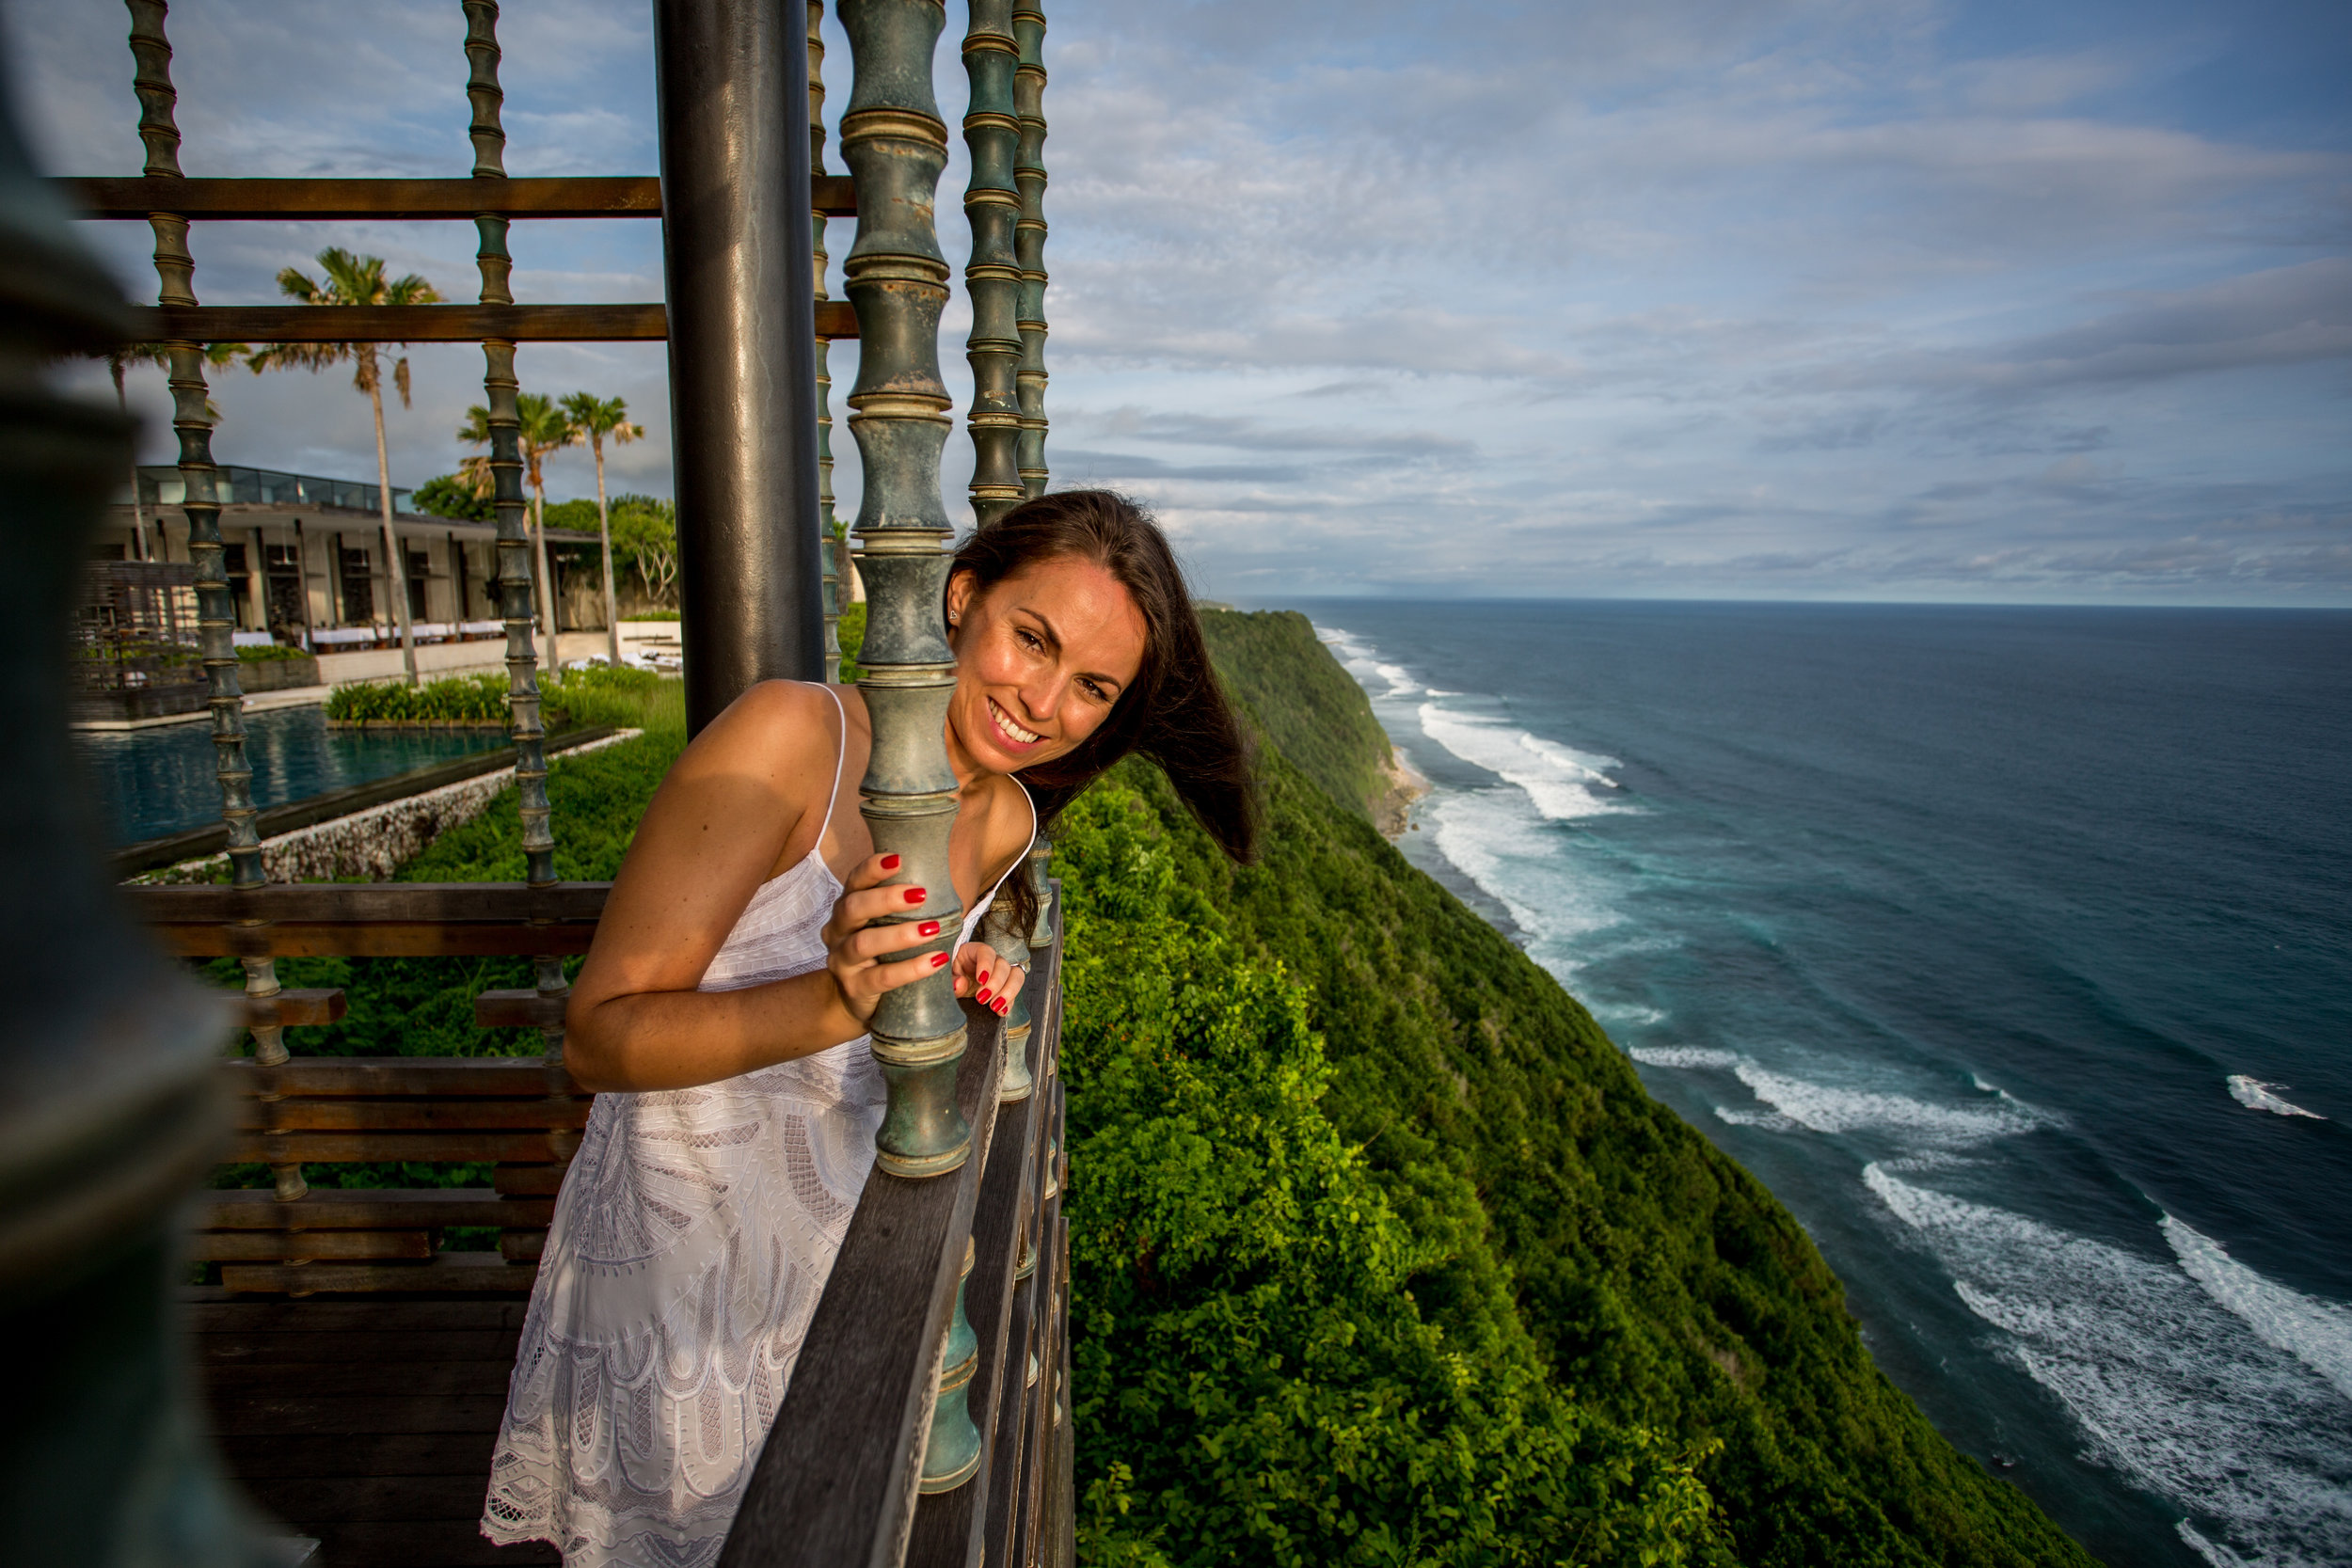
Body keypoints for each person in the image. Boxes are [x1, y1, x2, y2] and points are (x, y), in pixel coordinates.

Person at [481, 491, 1256, 1566]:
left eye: (1091, 688)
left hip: (828, 1262)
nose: (1041, 701)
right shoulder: (795, 735)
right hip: (678, 1256)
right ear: (962, 594)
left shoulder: (1005, 816)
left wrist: (945, 968)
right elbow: (600, 1038)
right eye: (1031, 638)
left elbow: (892, 965)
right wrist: (836, 996)